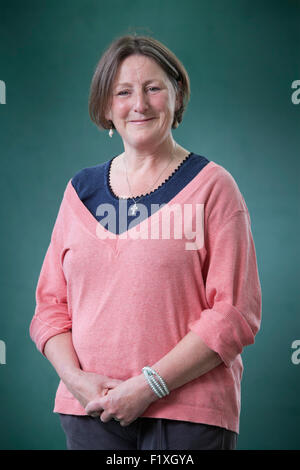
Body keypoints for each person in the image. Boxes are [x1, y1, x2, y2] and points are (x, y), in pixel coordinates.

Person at [29, 34, 262, 451]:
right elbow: (50, 308)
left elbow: (233, 313)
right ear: (106, 106)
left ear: (177, 96)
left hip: (188, 416)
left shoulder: (213, 188)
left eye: (153, 88)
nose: (139, 104)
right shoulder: (79, 192)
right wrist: (76, 381)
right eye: (123, 92)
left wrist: (150, 385)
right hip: (90, 412)